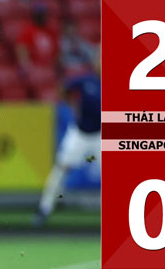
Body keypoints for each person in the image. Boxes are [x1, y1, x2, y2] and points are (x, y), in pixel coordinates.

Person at [34, 45, 101, 226]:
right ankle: (44, 208)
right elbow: (64, 88)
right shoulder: (85, 80)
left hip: (101, 137)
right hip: (79, 133)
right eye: (100, 59)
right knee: (61, 168)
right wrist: (72, 105)